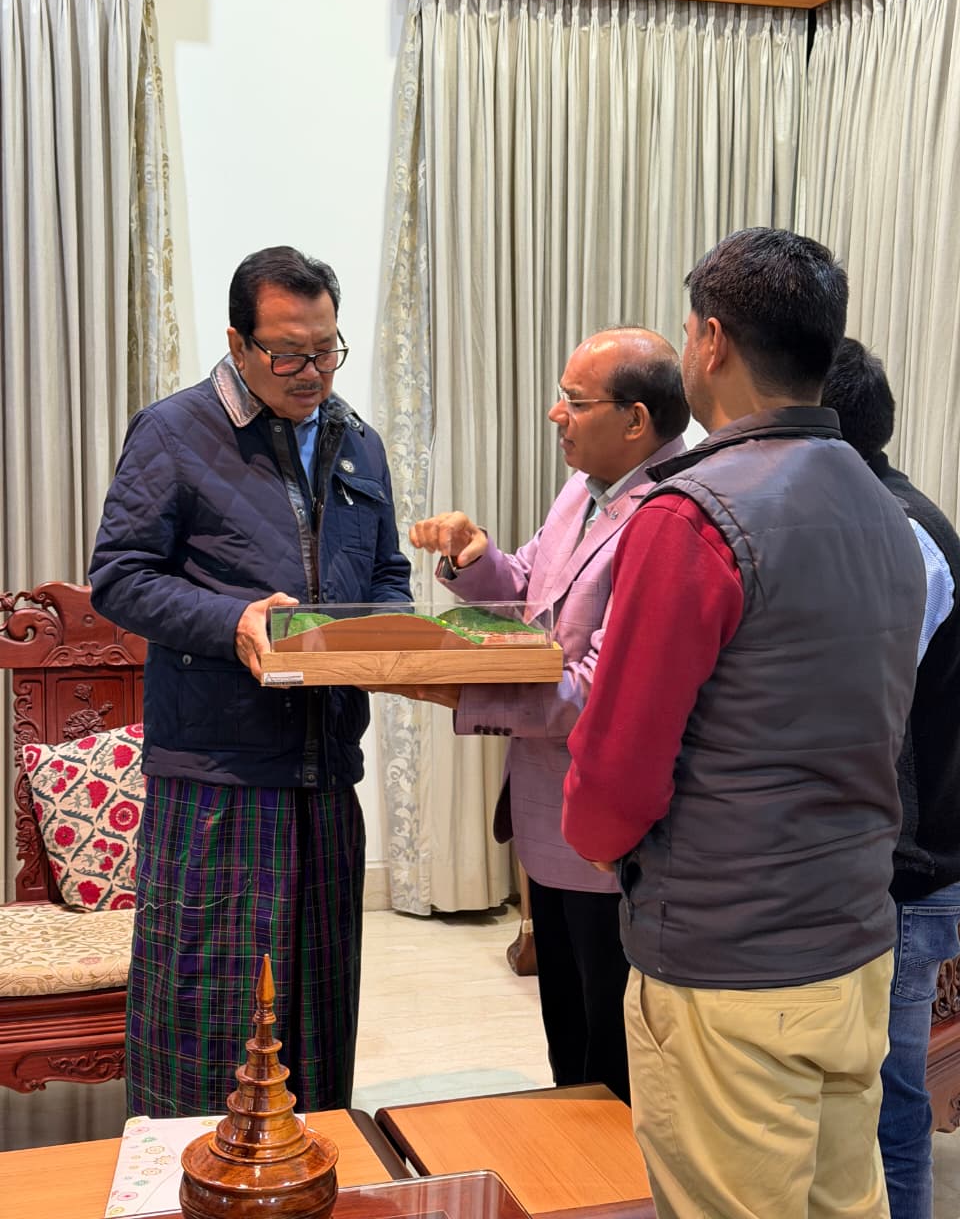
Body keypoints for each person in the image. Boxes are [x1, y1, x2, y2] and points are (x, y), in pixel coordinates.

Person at [561, 228, 927, 1219]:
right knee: (845, 1201)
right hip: (855, 941)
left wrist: (597, 842)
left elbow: (617, 770)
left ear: (712, 341)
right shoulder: (886, 513)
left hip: (729, 961)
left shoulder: (692, 516)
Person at [89, 245, 411, 1117]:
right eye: (289, 354)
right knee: (210, 1028)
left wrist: (391, 637)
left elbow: (387, 574)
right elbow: (119, 577)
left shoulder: (358, 442)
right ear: (238, 343)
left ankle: (314, 1170)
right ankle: (189, 1178)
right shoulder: (174, 431)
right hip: (218, 778)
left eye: (327, 350)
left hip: (325, 771)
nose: (313, 373)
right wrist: (233, 623)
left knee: (317, 1025)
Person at [407, 327, 689, 1103]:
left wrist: (466, 696)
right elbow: (528, 589)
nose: (556, 414)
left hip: (611, 830)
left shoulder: (669, 513)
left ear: (635, 420)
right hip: (549, 815)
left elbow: (603, 689)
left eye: (574, 401)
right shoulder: (585, 486)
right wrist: (474, 558)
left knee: (611, 1056)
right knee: (567, 1034)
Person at [822, 339, 960, 1219]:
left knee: (888, 1094)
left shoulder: (897, 532)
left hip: (909, 866)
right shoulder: (880, 513)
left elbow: (860, 707)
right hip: (898, 856)